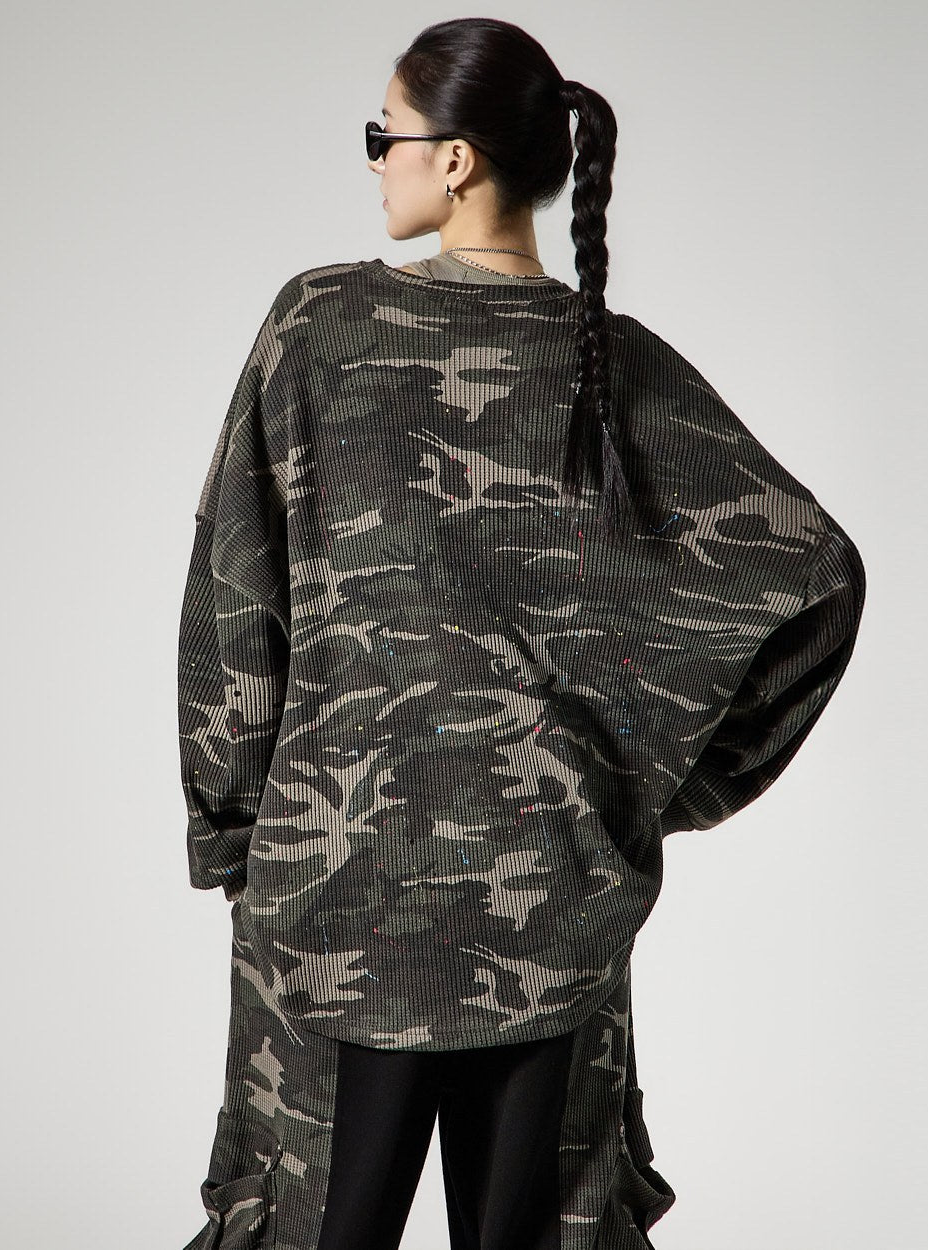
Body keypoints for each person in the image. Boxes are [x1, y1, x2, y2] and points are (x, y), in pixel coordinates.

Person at [176, 17, 866, 1250]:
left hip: (338, 899)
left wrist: (234, 825)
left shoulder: (319, 324)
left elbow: (238, 591)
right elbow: (811, 574)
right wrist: (650, 789)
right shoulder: (613, 362)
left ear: (454, 159)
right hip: (552, 899)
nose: (374, 158)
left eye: (385, 133)